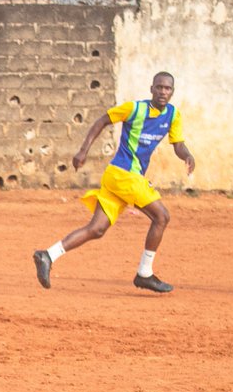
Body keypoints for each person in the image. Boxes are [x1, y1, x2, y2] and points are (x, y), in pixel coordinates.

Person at [33, 72, 195, 294]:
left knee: (96, 229)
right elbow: (102, 121)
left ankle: (48, 255)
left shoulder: (173, 115)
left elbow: (178, 144)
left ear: (172, 92)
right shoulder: (134, 109)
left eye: (167, 88)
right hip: (125, 175)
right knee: (162, 216)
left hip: (117, 178)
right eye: (159, 87)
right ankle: (144, 273)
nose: (163, 92)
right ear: (151, 89)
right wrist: (83, 151)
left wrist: (187, 155)